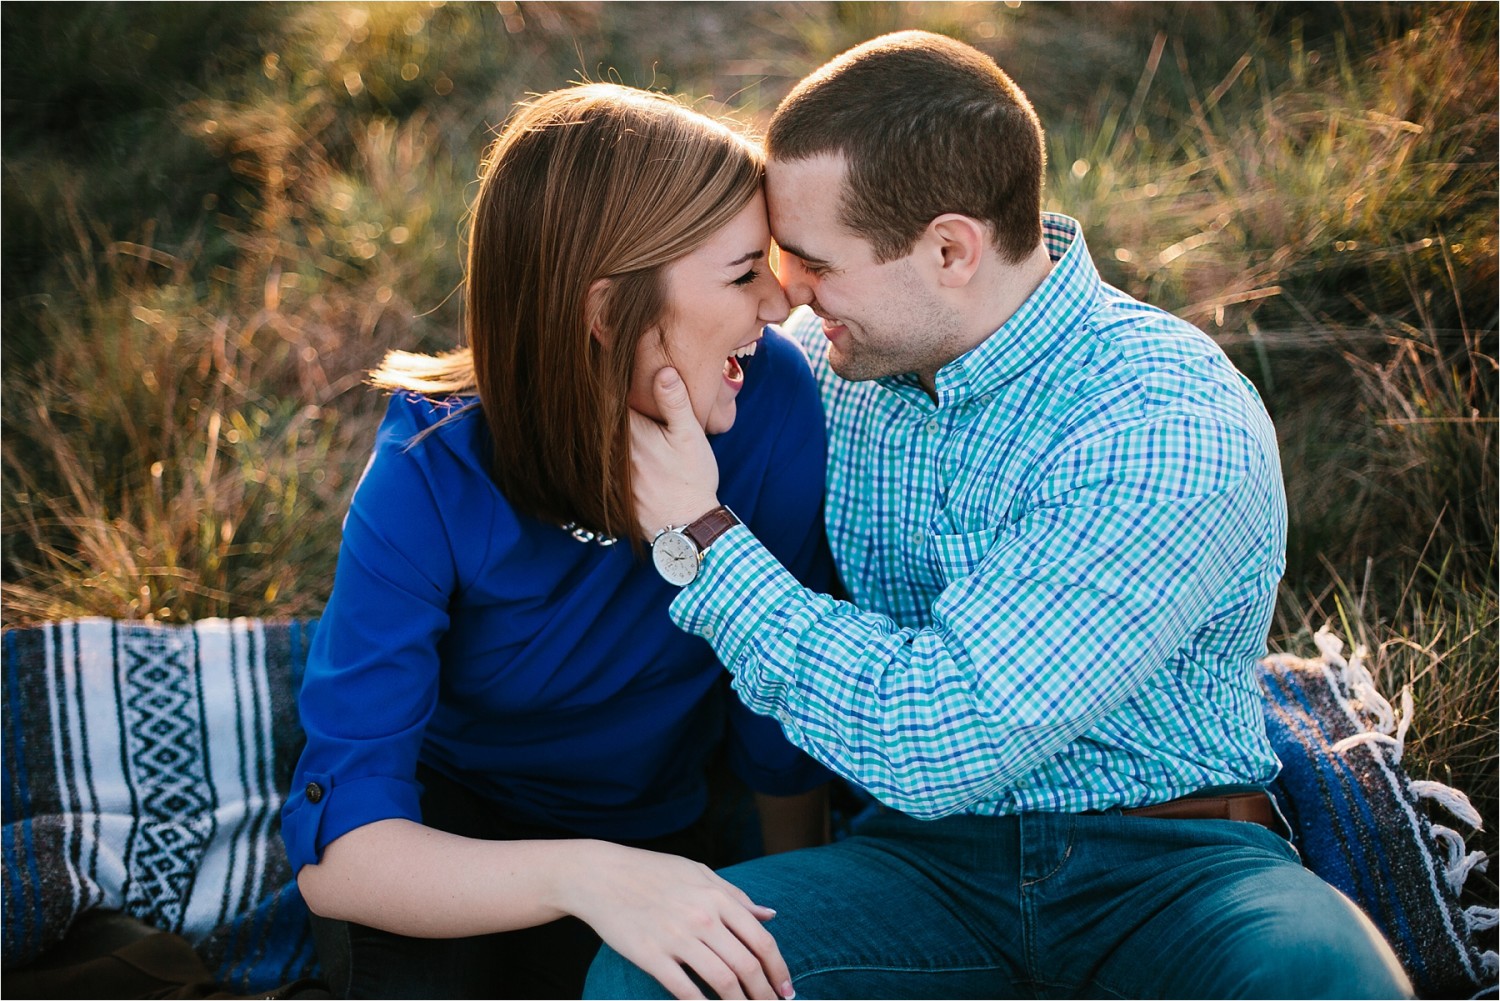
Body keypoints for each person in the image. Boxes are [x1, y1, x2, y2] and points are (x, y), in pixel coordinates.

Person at [586, 31, 1414, 1001]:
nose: (784, 296)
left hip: (1174, 866)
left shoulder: (1165, 420)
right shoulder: (821, 366)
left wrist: (706, 542)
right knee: (661, 974)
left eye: (812, 262)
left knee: (1323, 980)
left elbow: (942, 738)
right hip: (916, 866)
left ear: (950, 249)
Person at [280, 83, 834, 1001]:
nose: (779, 304)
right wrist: (586, 874)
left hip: (673, 820)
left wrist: (798, 917)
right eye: (744, 274)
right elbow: (343, 850)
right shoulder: (430, 473)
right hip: (456, 838)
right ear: (607, 311)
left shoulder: (768, 403)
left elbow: (775, 718)